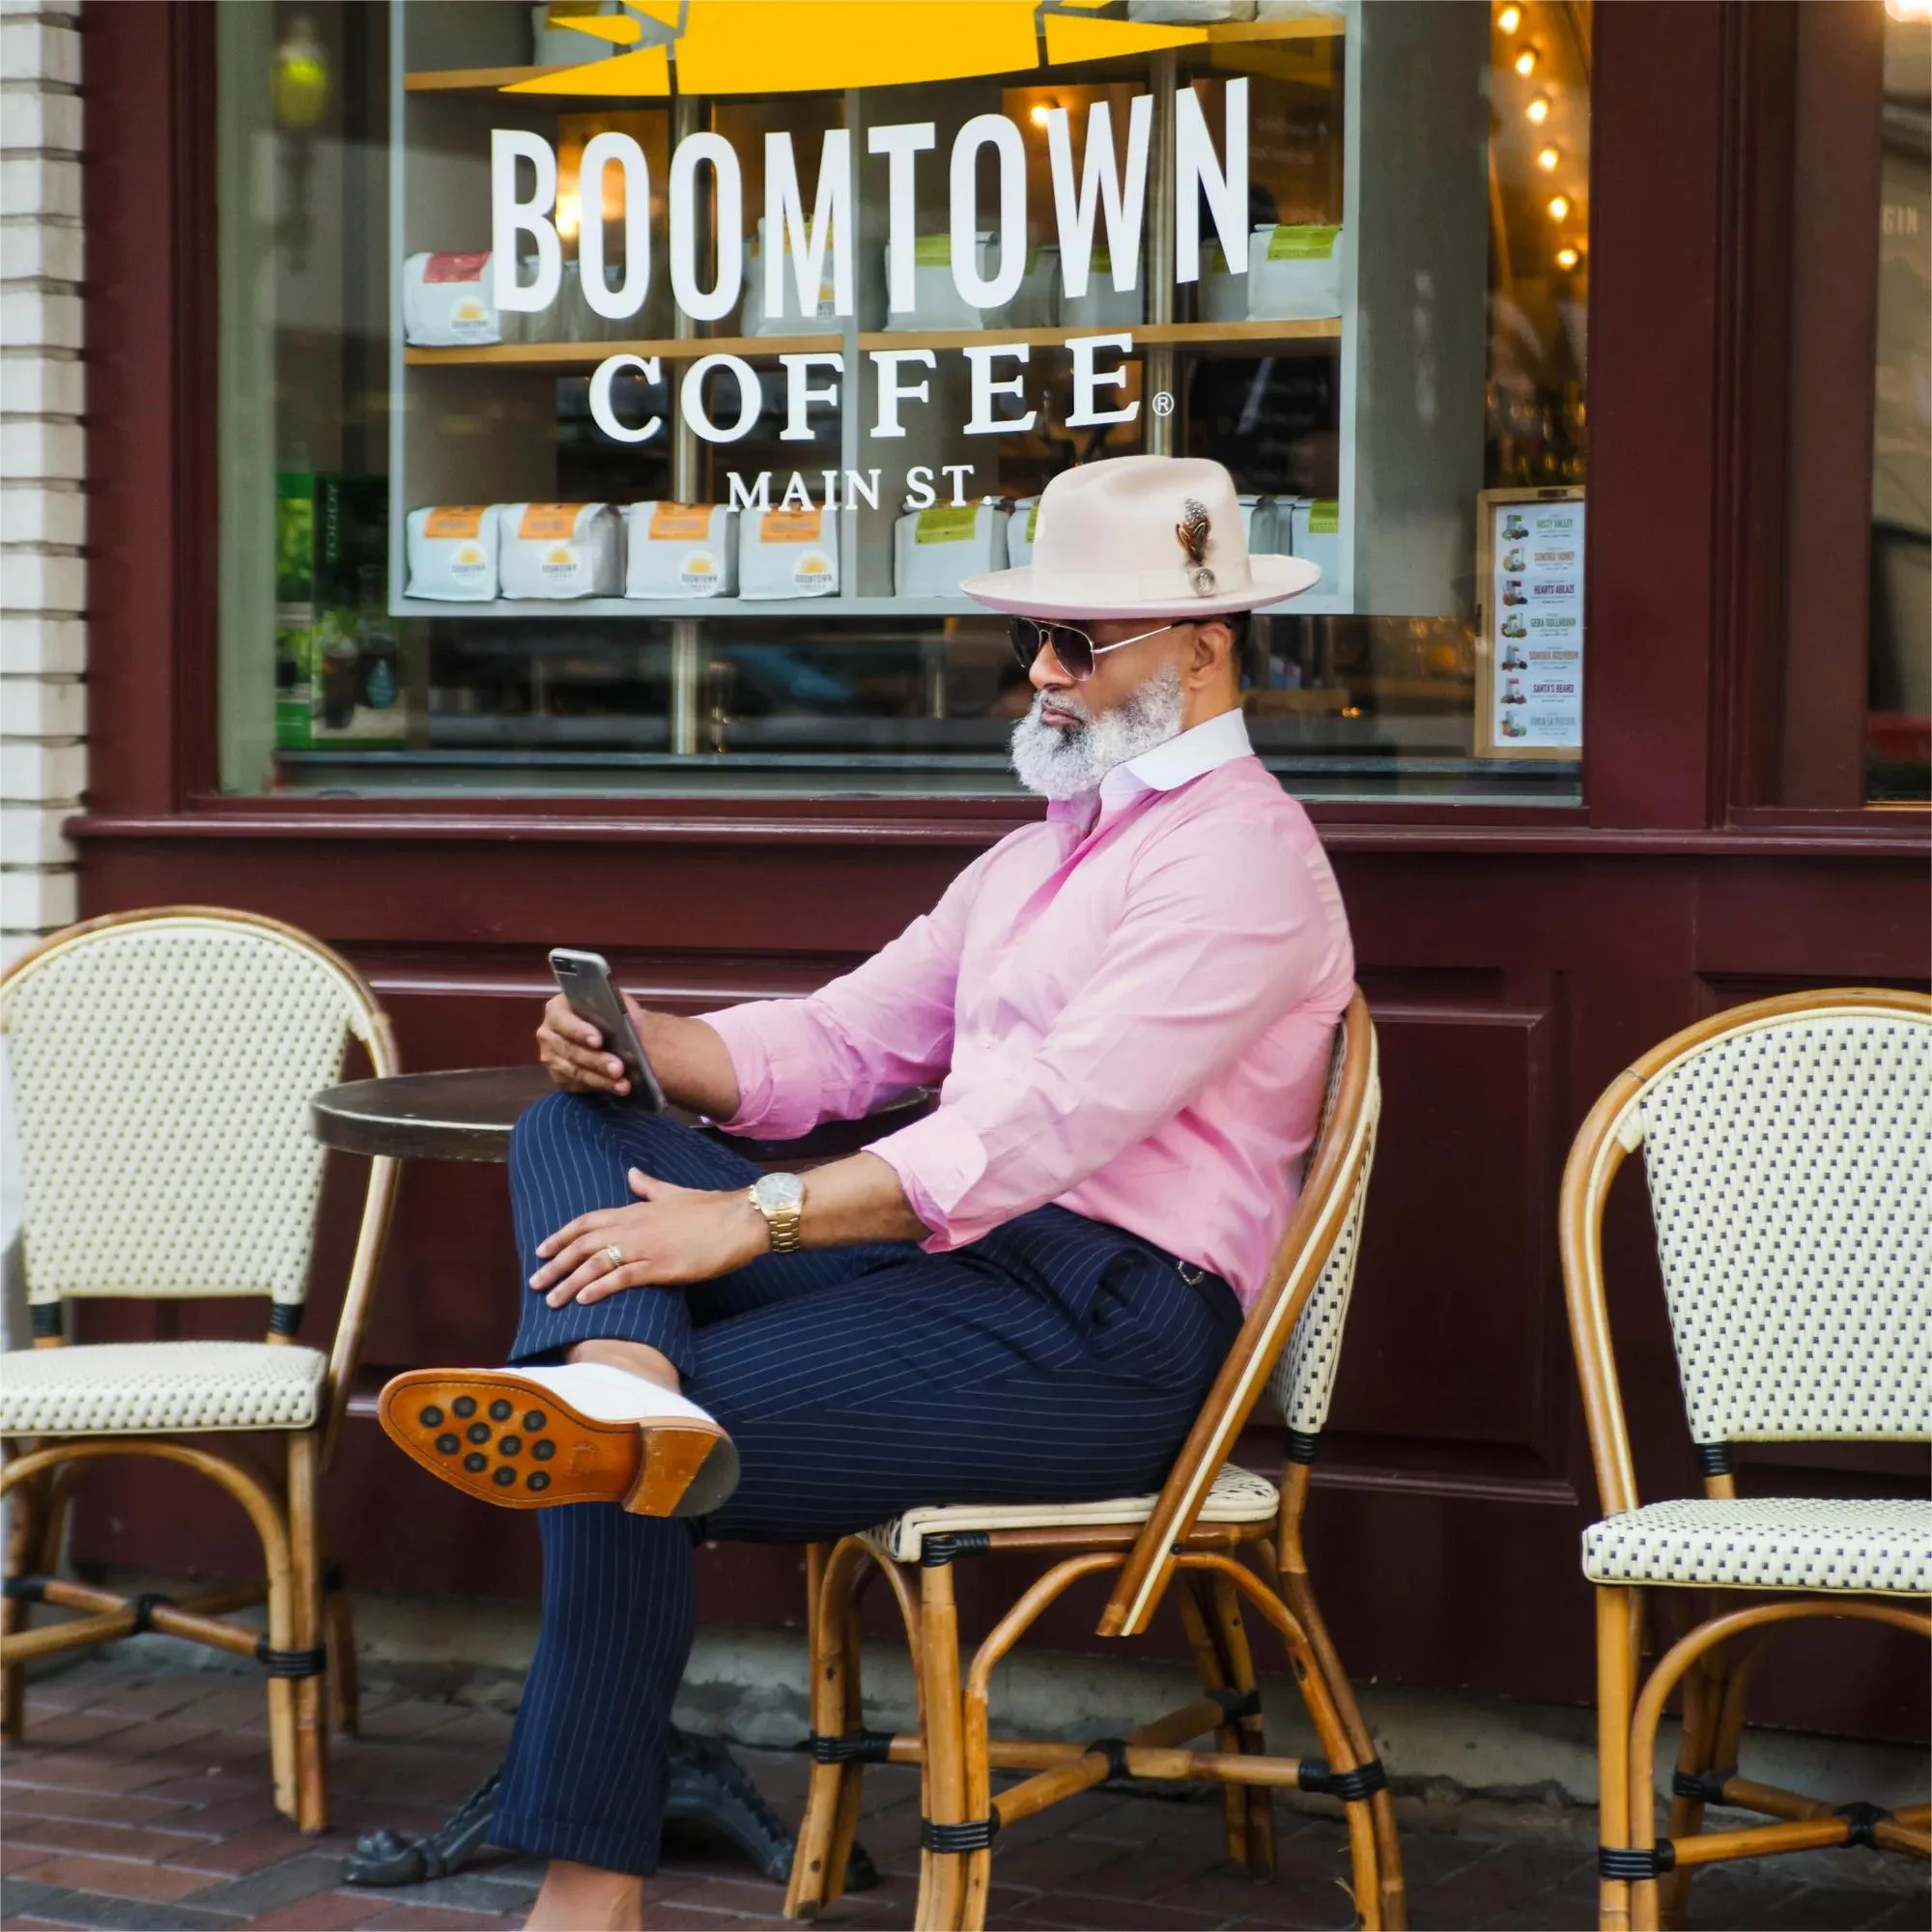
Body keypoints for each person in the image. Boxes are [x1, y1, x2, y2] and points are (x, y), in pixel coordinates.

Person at [380, 454, 1355, 1931]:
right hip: (965, 1269)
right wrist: (647, 1045)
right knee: (571, 1137)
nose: (1039, 673)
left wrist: (753, 1216)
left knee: (620, 1449)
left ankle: (585, 1893)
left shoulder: (1244, 863)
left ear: (1202, 648)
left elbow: (1039, 1125)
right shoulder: (1039, 858)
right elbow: (847, 1035)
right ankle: (627, 1385)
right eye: (1030, 638)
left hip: (1111, 1326)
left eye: (1075, 645)